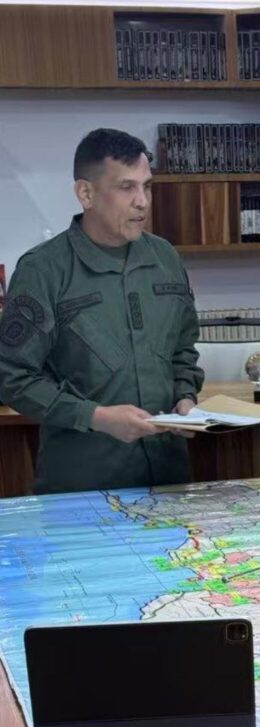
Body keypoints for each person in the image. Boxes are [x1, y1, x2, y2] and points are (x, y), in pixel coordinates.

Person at [0, 128, 203, 494]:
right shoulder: (43, 270)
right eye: (126, 187)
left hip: (168, 479)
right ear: (86, 194)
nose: (142, 202)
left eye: (147, 187)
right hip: (83, 485)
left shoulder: (165, 258)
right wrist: (96, 417)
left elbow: (182, 350)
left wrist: (185, 399)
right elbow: (12, 376)